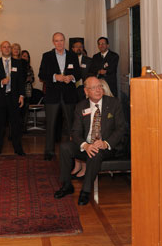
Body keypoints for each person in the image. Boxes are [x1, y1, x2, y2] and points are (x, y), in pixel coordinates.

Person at [54, 76, 127, 206]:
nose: (98, 90)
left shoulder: (114, 103)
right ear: (86, 92)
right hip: (87, 144)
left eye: (99, 86)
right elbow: (75, 131)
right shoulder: (81, 106)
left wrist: (106, 143)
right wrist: (85, 145)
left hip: (107, 148)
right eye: (93, 88)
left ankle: (85, 191)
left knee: (96, 153)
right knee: (65, 147)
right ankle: (66, 185)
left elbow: (121, 129)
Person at [38, 32, 81, 161]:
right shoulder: (47, 56)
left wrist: (71, 77)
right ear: (53, 42)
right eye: (56, 41)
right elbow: (41, 74)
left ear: (65, 41)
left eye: (61, 40)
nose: (59, 43)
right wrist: (54, 77)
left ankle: (72, 151)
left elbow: (78, 73)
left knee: (71, 125)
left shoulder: (73, 55)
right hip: (52, 95)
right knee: (50, 125)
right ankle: (49, 152)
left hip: (69, 95)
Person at [0, 41, 26, 156]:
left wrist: (22, 96)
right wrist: (1, 82)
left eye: (9, 47)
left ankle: (18, 149)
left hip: (14, 99)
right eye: (4, 47)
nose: (7, 49)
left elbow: (21, 82)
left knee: (16, 125)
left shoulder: (17, 63)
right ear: (1, 49)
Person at [20, 50, 35, 131]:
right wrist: (25, 79)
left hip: (28, 91)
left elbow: (33, 78)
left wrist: (30, 79)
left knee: (26, 110)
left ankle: (24, 127)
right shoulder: (18, 66)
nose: (25, 58)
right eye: (24, 56)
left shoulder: (29, 67)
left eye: (27, 56)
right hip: (19, 92)